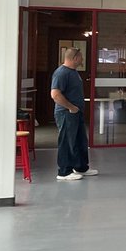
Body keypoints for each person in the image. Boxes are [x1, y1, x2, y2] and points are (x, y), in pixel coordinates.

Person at [49, 47, 99, 182]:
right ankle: (64, 171)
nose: (82, 60)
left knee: (79, 141)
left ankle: (81, 167)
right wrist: (71, 107)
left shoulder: (73, 72)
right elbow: (55, 94)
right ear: (75, 58)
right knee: (67, 142)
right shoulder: (61, 73)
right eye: (81, 57)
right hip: (66, 113)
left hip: (76, 113)